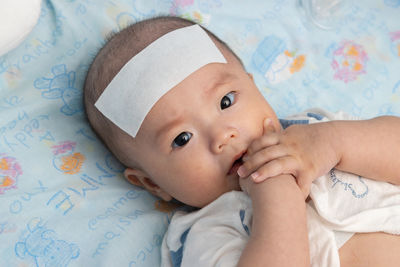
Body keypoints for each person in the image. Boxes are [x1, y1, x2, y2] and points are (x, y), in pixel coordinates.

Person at [84, 16, 400, 266]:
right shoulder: (206, 234)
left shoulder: (316, 130)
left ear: (254, 86)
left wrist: (335, 143)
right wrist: (277, 196)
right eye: (182, 138)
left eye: (226, 101)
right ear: (153, 184)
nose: (223, 135)